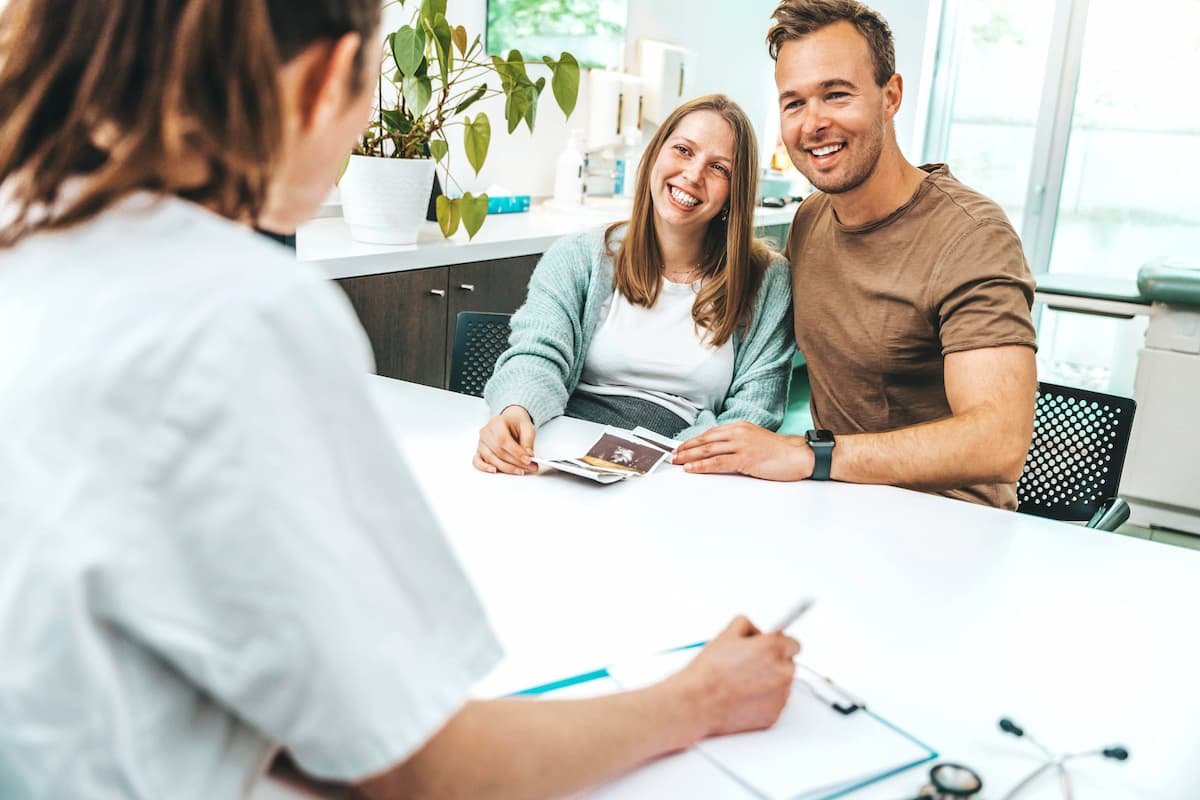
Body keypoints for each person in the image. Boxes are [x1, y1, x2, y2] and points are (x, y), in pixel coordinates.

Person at [0, 3, 801, 800]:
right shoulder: (242, 311)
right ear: (323, 80)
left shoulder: (27, 235)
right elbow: (422, 764)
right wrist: (703, 698)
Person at [674, 0, 1038, 510]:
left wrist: (810, 456)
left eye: (837, 95)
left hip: (948, 521)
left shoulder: (972, 236)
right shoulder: (812, 218)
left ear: (891, 96)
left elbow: (998, 443)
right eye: (794, 103)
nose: (813, 123)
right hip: (838, 508)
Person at [474, 94, 795, 476]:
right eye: (683, 150)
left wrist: (675, 461)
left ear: (734, 191)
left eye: (719, 168)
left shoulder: (767, 281)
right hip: (562, 451)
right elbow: (537, 355)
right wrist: (516, 409)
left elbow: (754, 411)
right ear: (655, 155)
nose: (693, 175)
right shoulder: (580, 256)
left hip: (684, 468)